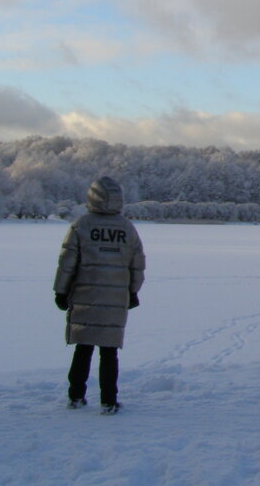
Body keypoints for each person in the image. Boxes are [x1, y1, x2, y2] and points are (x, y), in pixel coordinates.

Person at [53, 176, 145, 414]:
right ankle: (109, 401)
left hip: (85, 296)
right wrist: (133, 291)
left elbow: (67, 263)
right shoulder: (127, 228)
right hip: (115, 300)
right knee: (109, 350)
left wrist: (61, 291)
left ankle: (75, 396)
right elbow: (138, 264)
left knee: (83, 347)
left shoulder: (81, 225)